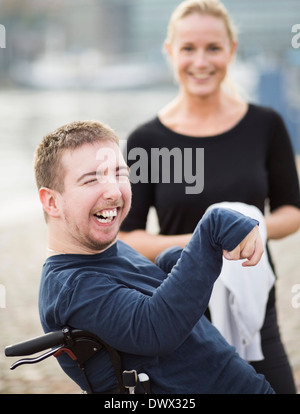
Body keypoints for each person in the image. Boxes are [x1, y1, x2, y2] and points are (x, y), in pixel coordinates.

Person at [119, 0, 300, 394]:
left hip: (257, 315)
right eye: (188, 48)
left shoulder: (265, 125)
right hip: (182, 315)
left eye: (213, 48)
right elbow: (128, 236)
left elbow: (292, 211)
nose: (201, 61)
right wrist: (208, 240)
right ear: (170, 52)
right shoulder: (147, 140)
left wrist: (246, 228)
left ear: (231, 51)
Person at [35, 120, 274, 394]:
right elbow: (155, 329)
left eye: (119, 174)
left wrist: (173, 263)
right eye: (91, 179)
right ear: (52, 202)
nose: (113, 192)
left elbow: (170, 307)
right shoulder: (72, 287)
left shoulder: (105, 248)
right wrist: (214, 225)